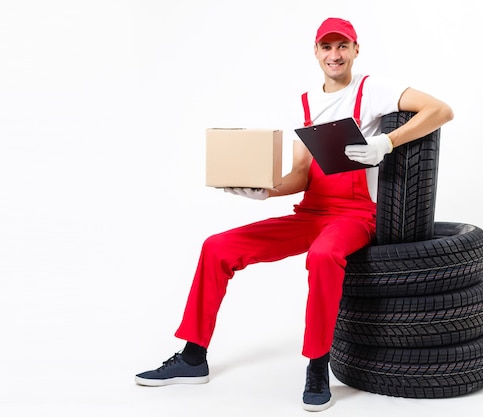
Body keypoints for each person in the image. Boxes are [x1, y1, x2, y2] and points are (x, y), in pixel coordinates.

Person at [135, 17, 453, 412]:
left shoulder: (372, 89)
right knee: (217, 247)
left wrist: (385, 143)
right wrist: (263, 191)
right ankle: (193, 357)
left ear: (356, 50)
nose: (334, 55)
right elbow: (301, 174)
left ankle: (317, 366)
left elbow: (440, 110)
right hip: (312, 211)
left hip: (356, 215)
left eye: (342, 46)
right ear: (316, 52)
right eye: (326, 47)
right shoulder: (304, 103)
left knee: (323, 256)